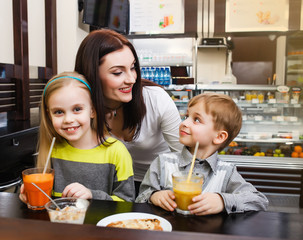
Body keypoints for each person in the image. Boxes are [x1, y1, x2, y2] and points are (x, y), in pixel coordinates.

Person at [74, 29, 183, 191]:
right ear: (92, 75)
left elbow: (186, 157)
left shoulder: (156, 99)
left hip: (160, 186)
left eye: (132, 68)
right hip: (112, 187)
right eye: (118, 72)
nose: (132, 79)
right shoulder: (81, 108)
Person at [136, 93, 269, 215]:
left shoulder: (226, 172)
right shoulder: (163, 162)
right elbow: (141, 196)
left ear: (219, 137)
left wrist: (222, 201)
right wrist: (154, 196)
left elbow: (259, 201)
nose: (184, 123)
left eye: (197, 120)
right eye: (186, 116)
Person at [19, 72, 135, 202]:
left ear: (92, 110)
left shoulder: (116, 152)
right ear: (49, 115)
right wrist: (31, 194)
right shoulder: (52, 150)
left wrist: (92, 195)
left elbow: (127, 203)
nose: (68, 119)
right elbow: (47, 202)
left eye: (77, 109)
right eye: (58, 112)